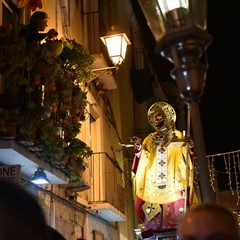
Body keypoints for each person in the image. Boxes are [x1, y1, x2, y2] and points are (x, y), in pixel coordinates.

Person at [132, 102, 197, 238]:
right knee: (154, 219)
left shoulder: (177, 135)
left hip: (174, 183)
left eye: (160, 117)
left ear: (167, 118)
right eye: (155, 118)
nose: (157, 120)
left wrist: (190, 146)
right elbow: (143, 157)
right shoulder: (149, 140)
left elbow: (187, 154)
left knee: (177, 214)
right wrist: (138, 150)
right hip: (154, 186)